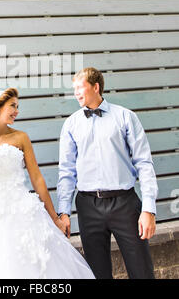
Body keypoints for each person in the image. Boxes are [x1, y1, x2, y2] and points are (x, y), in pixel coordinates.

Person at [0, 87, 95, 279]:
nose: (17, 111)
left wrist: (54, 218)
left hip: (22, 210)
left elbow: (37, 179)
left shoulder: (20, 137)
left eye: (17, 106)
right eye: (12, 106)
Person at [57, 67, 158, 279]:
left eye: (79, 87)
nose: (76, 92)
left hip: (124, 204)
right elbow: (66, 170)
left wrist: (148, 209)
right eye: (73, 88)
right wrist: (63, 211)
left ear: (96, 87)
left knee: (141, 270)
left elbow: (144, 163)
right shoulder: (71, 124)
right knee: (97, 273)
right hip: (88, 205)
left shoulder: (125, 117)